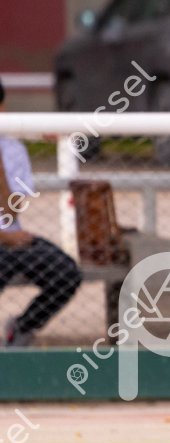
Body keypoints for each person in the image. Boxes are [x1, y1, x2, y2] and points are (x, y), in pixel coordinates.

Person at [0, 79, 82, 346]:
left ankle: (21, 328)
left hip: (12, 238)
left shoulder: (13, 149)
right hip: (5, 240)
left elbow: (12, 211)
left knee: (66, 273)